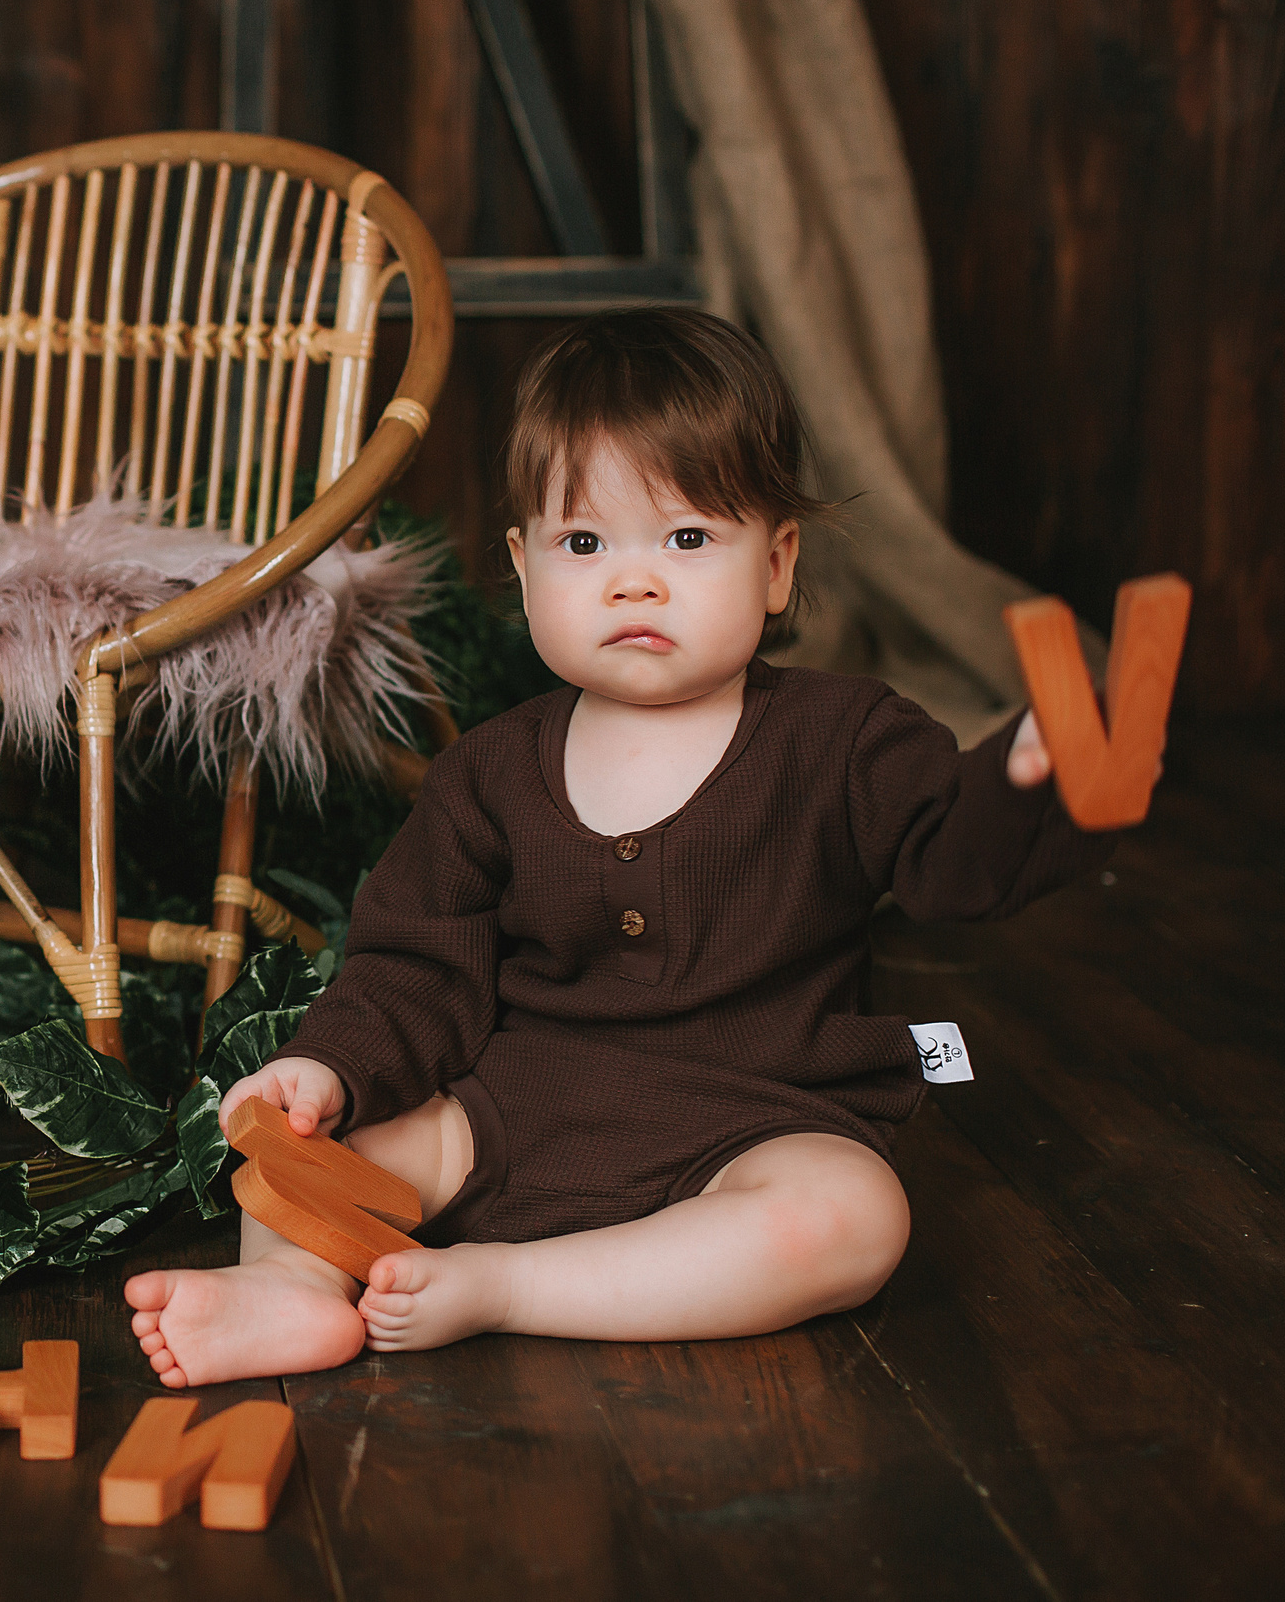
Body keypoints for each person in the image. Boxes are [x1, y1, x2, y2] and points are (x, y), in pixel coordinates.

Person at [127, 307, 1125, 1387]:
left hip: (761, 1114)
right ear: (520, 567)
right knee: (310, 1151)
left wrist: (1032, 777)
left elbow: (952, 857)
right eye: (584, 544)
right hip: (511, 1111)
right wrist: (327, 1068)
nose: (632, 581)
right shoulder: (489, 777)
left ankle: (508, 1290)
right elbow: (414, 968)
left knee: (852, 1216)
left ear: (777, 566)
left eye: (687, 540)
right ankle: (292, 1293)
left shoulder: (845, 739)